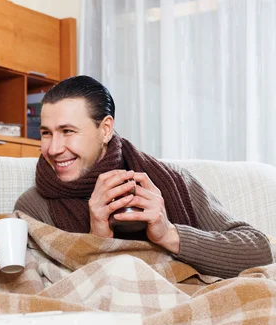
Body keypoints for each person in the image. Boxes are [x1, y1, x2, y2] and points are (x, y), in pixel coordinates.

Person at [14, 75, 272, 279]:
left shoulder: (169, 181)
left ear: (105, 130)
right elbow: (44, 288)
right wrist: (97, 240)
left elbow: (258, 251)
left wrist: (169, 233)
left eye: (68, 131)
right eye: (46, 133)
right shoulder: (33, 206)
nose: (53, 148)